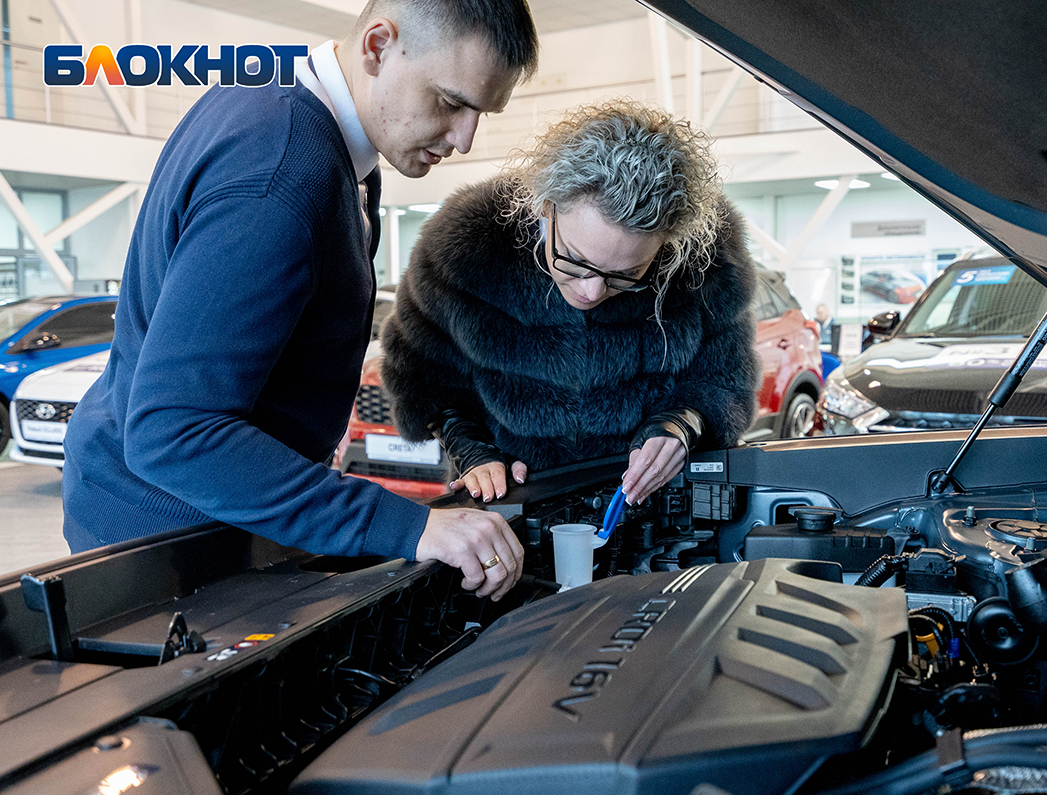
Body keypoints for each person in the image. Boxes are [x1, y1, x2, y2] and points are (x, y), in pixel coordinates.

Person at [61, 0, 539, 601]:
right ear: (378, 47)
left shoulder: (289, 115)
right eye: (450, 102)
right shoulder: (282, 173)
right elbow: (174, 430)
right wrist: (408, 525)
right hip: (169, 539)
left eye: (481, 113)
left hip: (209, 510)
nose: (464, 139)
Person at [381, 100, 760, 507]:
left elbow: (724, 382)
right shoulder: (464, 248)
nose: (592, 292)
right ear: (546, 207)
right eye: (575, 261)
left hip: (650, 508)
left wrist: (682, 423)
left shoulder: (710, 266)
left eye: (626, 274)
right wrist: (471, 448)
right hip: (511, 503)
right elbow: (422, 376)